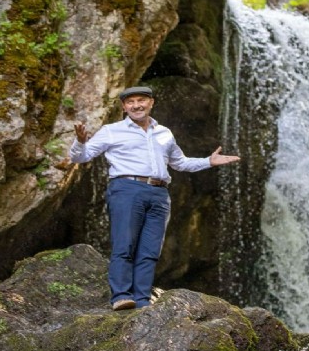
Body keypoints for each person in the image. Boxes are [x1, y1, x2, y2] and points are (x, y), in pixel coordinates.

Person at [69, 86, 240, 311]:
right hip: (127, 188)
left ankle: (141, 300)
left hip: (160, 193)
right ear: (123, 107)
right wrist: (80, 141)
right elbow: (81, 156)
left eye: (141, 100)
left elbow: (180, 163)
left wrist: (209, 161)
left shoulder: (164, 133)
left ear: (151, 103)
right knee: (125, 245)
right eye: (130, 102)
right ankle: (120, 296)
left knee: (150, 250)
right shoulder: (112, 131)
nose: (136, 105)